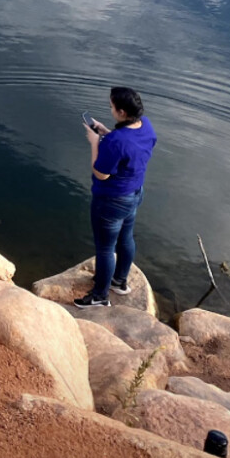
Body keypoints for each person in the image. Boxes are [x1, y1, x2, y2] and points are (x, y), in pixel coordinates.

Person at [74, 86, 157, 308]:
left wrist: (95, 142)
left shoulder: (116, 141)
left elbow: (101, 173)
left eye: (111, 107)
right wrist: (106, 132)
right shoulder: (145, 126)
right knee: (126, 237)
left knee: (105, 248)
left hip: (111, 201)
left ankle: (100, 296)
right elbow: (129, 148)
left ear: (121, 112)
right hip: (135, 194)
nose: (110, 110)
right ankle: (120, 282)